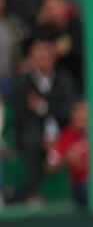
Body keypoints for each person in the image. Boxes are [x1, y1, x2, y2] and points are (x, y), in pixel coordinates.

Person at [10, 37, 78, 204]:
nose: (43, 58)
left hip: (62, 130)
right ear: (32, 58)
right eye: (39, 55)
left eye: (47, 54)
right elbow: (20, 115)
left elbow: (68, 111)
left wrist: (43, 107)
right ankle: (31, 193)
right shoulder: (23, 82)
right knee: (31, 140)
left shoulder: (64, 80)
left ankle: (77, 193)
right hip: (34, 134)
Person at [46, 99, 89, 207]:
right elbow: (50, 165)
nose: (81, 119)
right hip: (81, 186)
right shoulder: (65, 137)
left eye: (84, 116)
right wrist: (66, 159)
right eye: (78, 115)